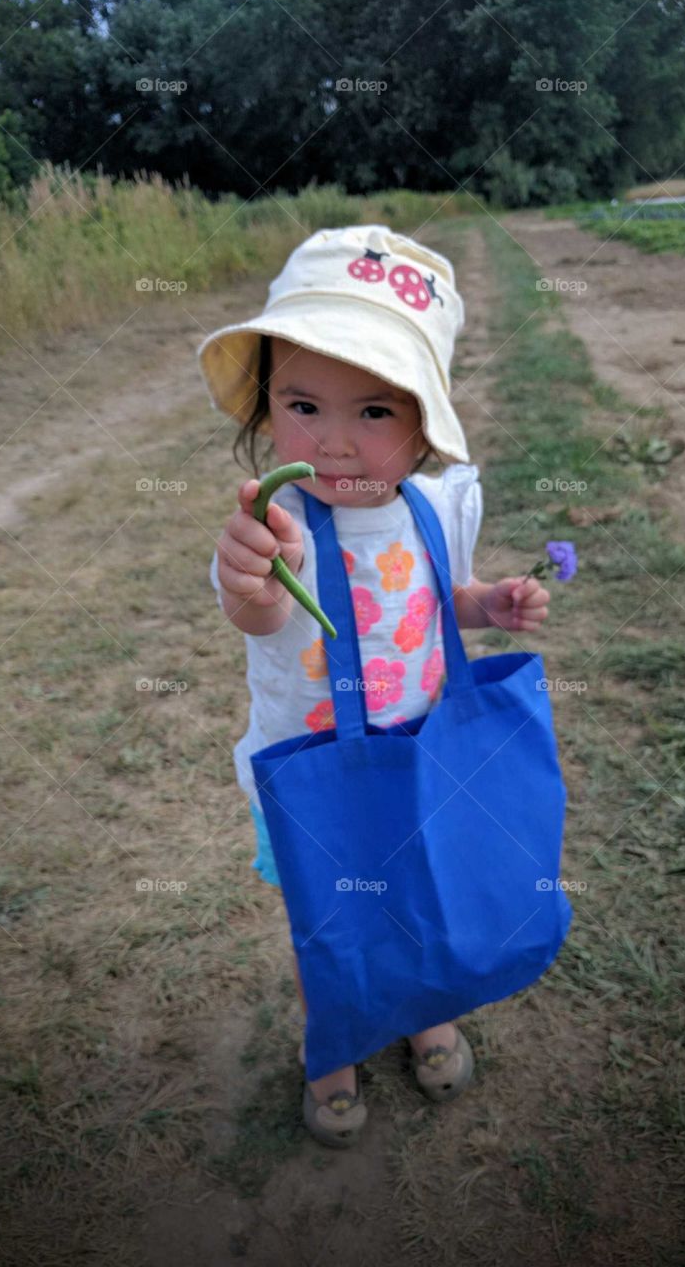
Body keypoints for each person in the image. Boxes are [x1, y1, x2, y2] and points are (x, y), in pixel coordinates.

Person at [199, 224, 551, 1147]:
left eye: (375, 412)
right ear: (265, 405)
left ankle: (425, 1011)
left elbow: (445, 600)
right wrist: (249, 578)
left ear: (425, 421)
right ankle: (335, 1047)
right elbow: (259, 614)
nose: (336, 444)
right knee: (334, 918)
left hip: (431, 760)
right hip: (316, 777)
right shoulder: (273, 529)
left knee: (424, 897)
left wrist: (491, 605)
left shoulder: (439, 506)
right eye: (303, 405)